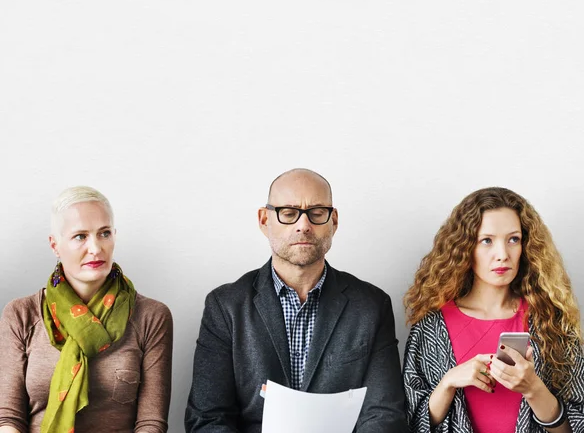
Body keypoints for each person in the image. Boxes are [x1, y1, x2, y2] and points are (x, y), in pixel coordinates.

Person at [185, 168, 408, 432]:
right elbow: (208, 418)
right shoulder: (225, 307)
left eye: (316, 213)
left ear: (333, 221)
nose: (303, 225)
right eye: (289, 213)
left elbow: (384, 415)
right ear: (264, 220)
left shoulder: (371, 306)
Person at [403, 187, 584, 433]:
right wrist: (448, 383)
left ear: (525, 246)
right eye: (486, 240)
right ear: (465, 247)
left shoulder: (551, 321)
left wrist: (533, 389)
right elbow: (410, 422)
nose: (502, 255)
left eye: (513, 239)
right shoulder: (431, 326)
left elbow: (576, 424)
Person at [0, 186, 173, 433]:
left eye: (104, 233)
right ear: (55, 245)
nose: (95, 248)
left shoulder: (151, 316)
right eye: (80, 236)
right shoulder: (21, 314)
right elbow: (9, 418)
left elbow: (151, 423)